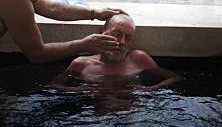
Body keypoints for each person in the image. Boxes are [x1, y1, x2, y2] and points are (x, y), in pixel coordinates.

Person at [52, 14, 181, 91]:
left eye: (128, 38)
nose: (122, 42)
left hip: (132, 118)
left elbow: (175, 78)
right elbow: (54, 86)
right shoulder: (82, 64)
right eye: (117, 34)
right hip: (97, 120)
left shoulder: (138, 59)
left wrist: (149, 90)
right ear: (102, 31)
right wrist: (79, 91)